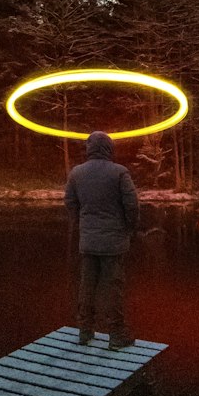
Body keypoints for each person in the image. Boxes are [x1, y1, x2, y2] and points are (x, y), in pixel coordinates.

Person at [64, 130, 140, 349]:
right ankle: (116, 335)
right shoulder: (119, 172)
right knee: (113, 287)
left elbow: (70, 202)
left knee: (87, 285)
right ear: (108, 148)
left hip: (88, 241)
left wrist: (82, 223)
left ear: (90, 148)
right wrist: (129, 226)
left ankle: (85, 331)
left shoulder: (77, 173)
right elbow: (132, 205)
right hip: (114, 242)